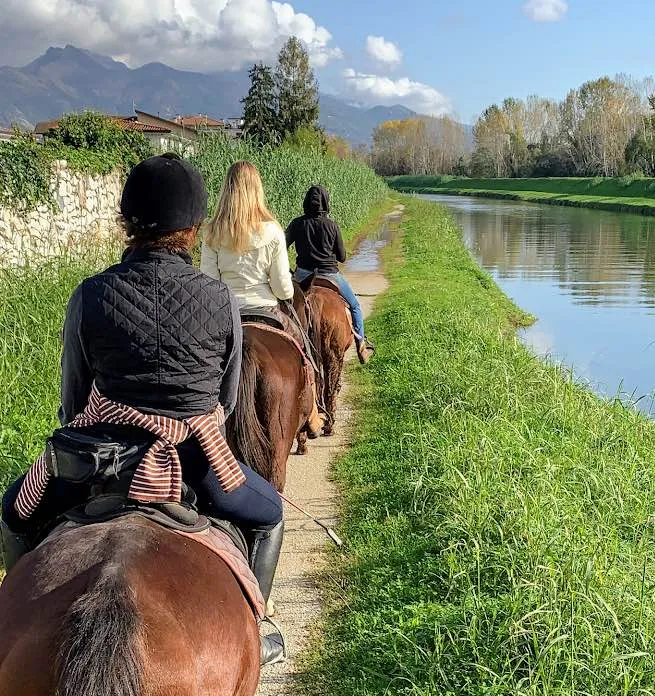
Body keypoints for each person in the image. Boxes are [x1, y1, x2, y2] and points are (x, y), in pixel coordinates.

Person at [0, 153, 285, 664]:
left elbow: (71, 404)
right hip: (196, 456)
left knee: (12, 513)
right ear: (193, 228)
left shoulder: (90, 294)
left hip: (100, 459)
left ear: (126, 223)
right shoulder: (219, 299)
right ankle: (258, 629)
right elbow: (228, 400)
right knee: (270, 517)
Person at [286, 185, 375, 364]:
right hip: (330, 275)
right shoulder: (332, 226)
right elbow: (342, 257)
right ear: (326, 203)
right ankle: (361, 346)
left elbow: (280, 248)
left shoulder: (297, 224)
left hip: (302, 276)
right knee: (355, 306)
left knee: (285, 307)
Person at [200, 161, 293, 321]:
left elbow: (210, 287)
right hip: (266, 311)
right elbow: (282, 290)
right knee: (301, 342)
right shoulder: (273, 231)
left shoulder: (212, 232)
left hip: (227, 313)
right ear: (257, 191)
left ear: (227, 191)